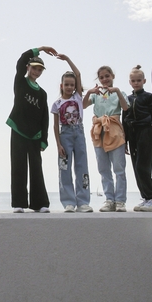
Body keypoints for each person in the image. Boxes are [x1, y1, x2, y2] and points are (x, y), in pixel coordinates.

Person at [6, 46, 56, 214]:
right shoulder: (20, 82)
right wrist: (39, 49)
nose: (36, 71)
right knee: (18, 166)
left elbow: (45, 118)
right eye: (34, 67)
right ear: (28, 68)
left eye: (40, 69)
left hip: (35, 135)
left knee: (36, 168)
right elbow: (21, 59)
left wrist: (44, 139)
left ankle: (40, 203)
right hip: (18, 130)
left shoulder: (42, 94)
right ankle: (18, 203)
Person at [50, 53, 93, 213]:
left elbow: (78, 74)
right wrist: (58, 145)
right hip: (65, 134)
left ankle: (83, 201)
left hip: (79, 133)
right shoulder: (56, 104)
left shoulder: (77, 97)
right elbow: (55, 126)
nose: (69, 87)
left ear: (75, 86)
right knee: (64, 169)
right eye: (66, 84)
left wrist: (67, 59)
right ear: (61, 85)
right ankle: (68, 201)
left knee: (82, 167)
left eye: (72, 85)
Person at [83, 66, 129, 212]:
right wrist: (89, 92)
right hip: (99, 131)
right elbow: (83, 105)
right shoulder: (96, 95)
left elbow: (126, 107)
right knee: (103, 168)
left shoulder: (119, 92)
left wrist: (117, 92)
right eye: (102, 77)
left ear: (112, 76)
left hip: (114, 130)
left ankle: (120, 200)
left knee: (119, 168)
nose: (105, 79)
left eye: (107, 76)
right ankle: (109, 199)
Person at [122, 65, 152, 212]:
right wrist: (124, 140)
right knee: (136, 167)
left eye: (139, 80)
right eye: (133, 80)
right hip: (132, 134)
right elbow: (124, 118)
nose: (136, 82)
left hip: (145, 132)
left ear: (144, 80)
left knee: (143, 166)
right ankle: (146, 198)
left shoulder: (149, 97)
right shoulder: (127, 98)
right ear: (130, 82)